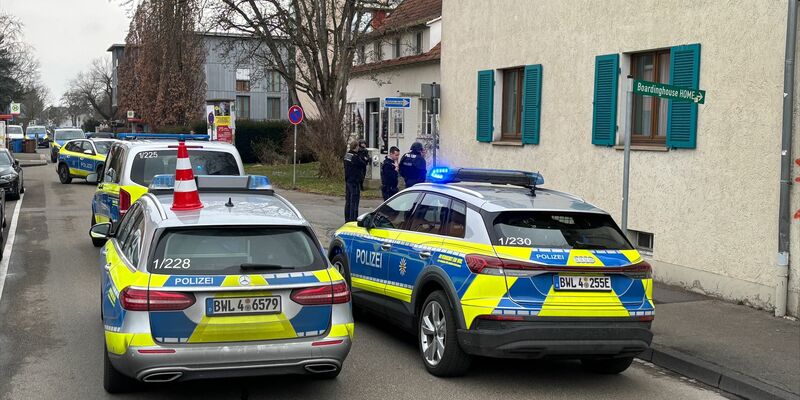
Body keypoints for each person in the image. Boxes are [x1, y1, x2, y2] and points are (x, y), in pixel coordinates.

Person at [343, 139, 369, 222]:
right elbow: (363, 163)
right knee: (354, 202)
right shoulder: (355, 157)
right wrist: (365, 158)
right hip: (355, 181)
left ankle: (347, 219)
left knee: (348, 202)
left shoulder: (347, 155)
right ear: (356, 147)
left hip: (348, 180)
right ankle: (353, 220)